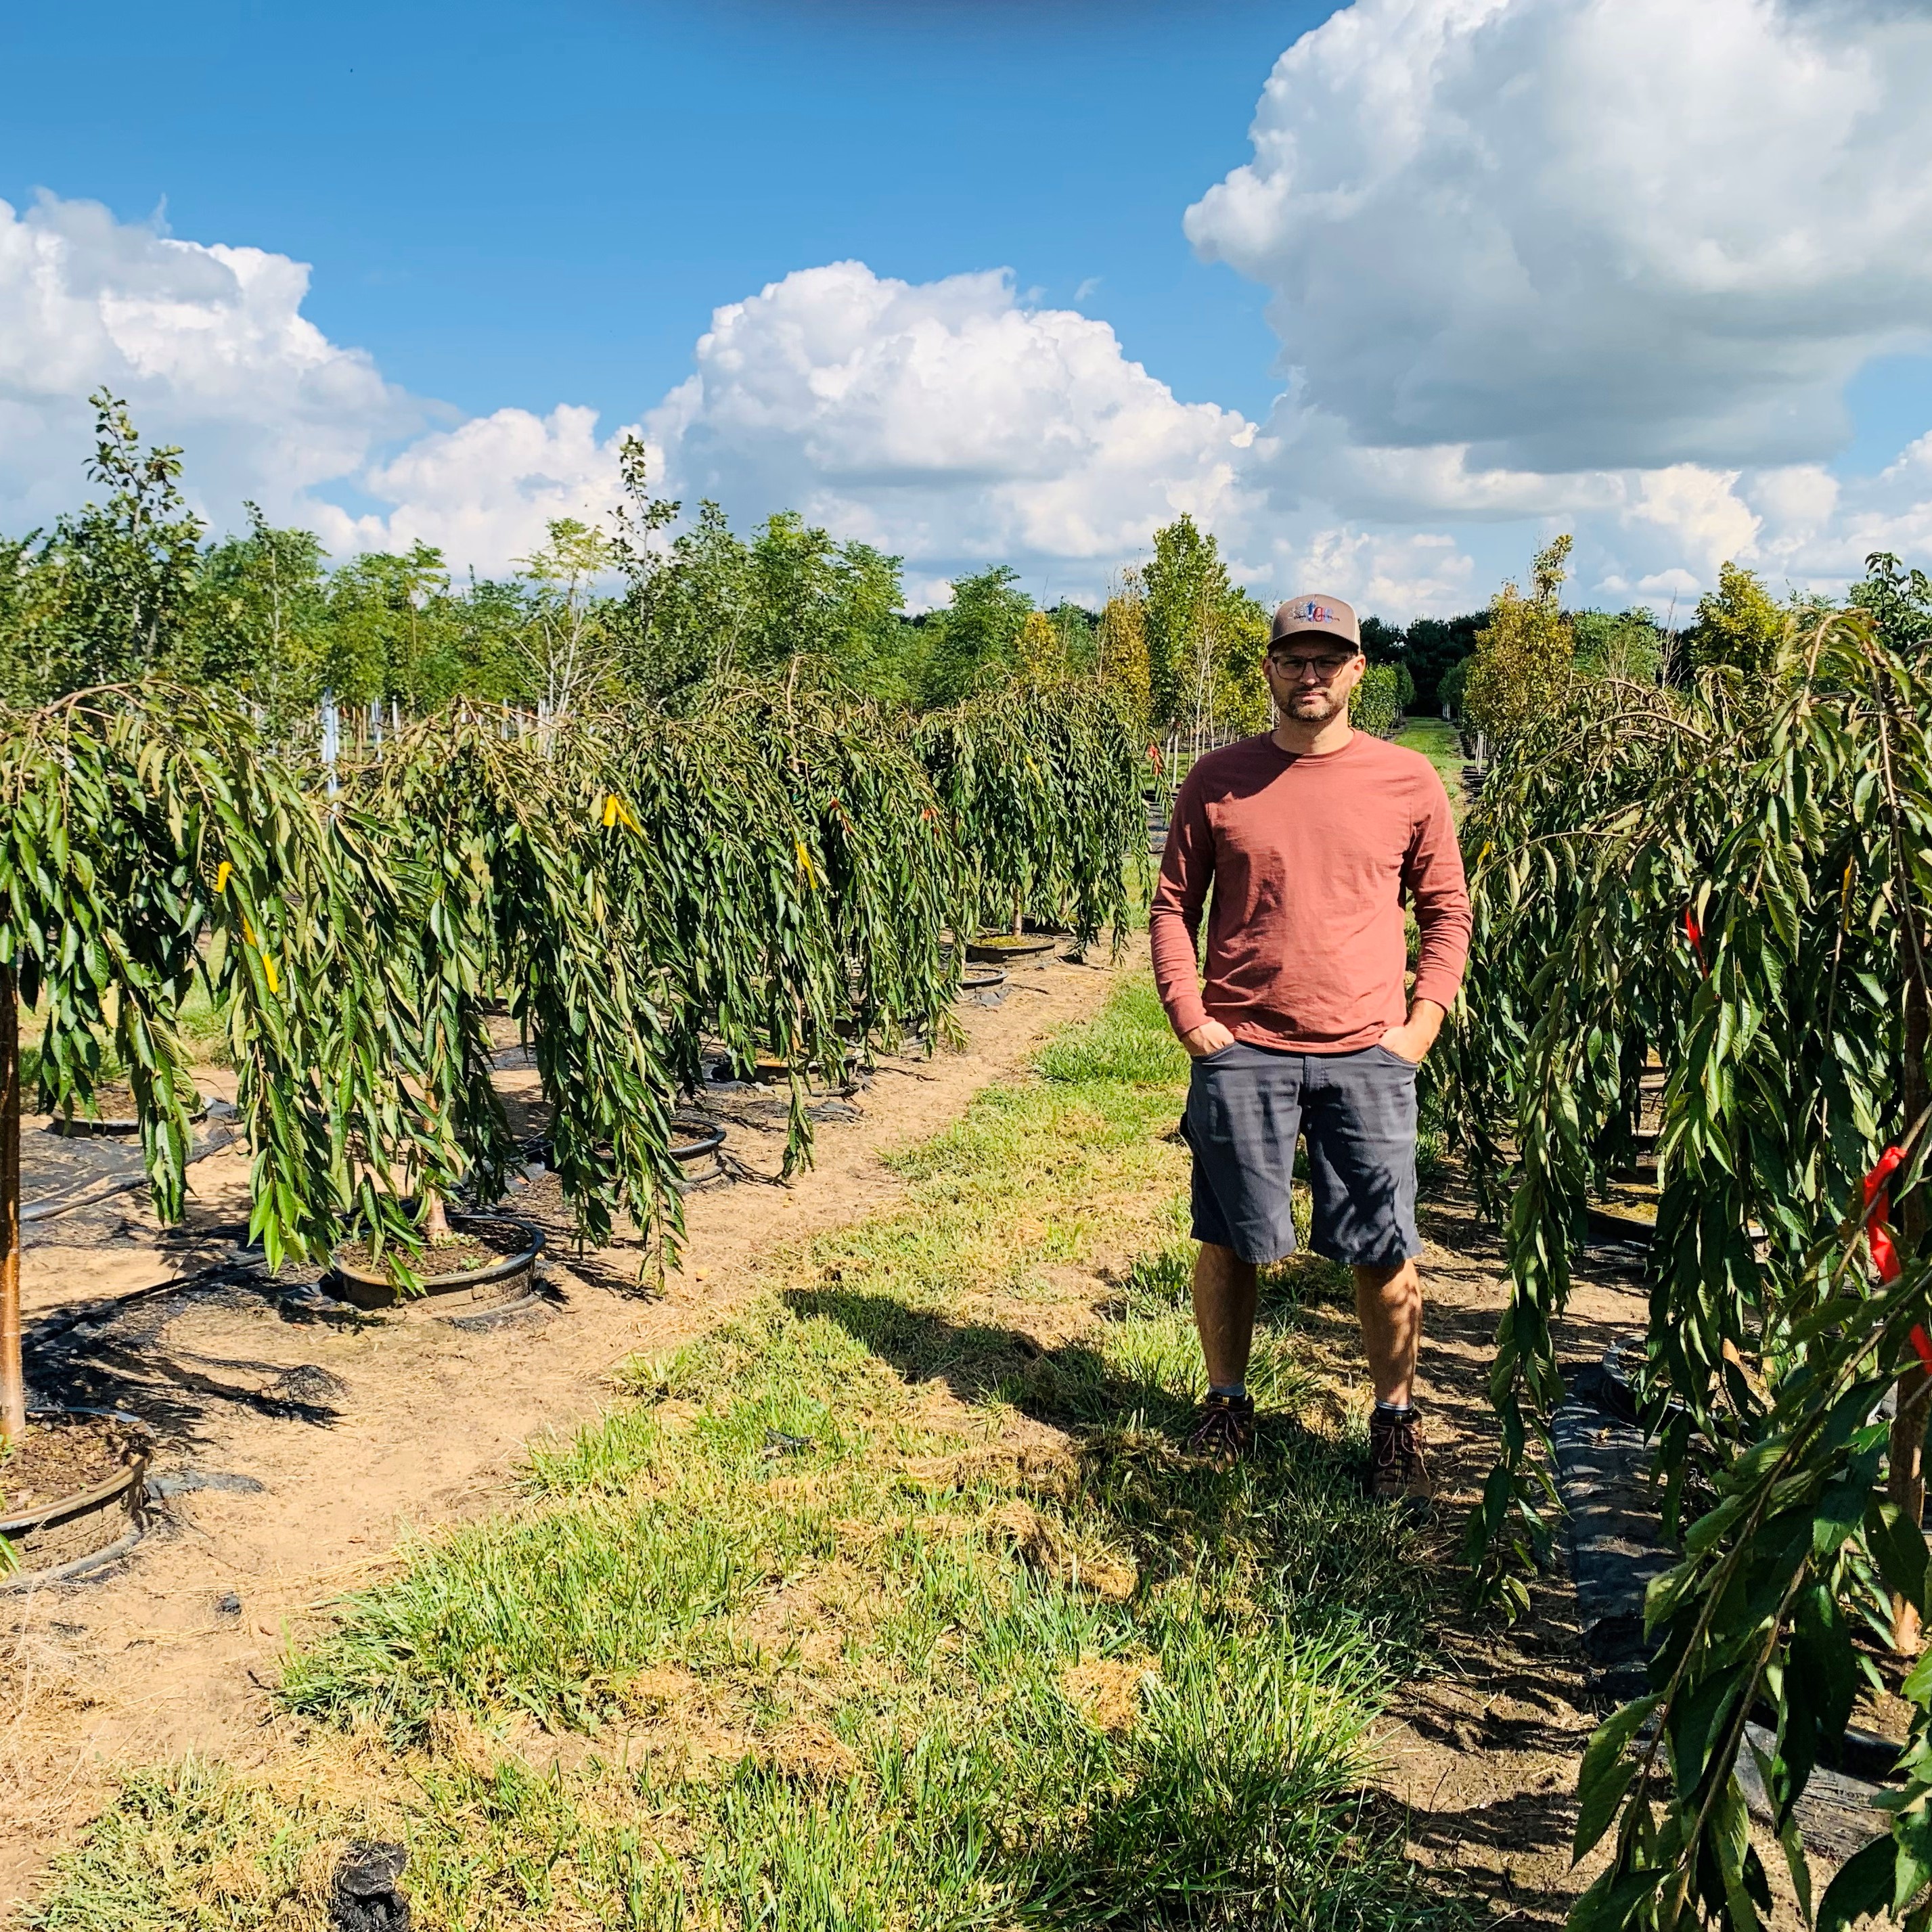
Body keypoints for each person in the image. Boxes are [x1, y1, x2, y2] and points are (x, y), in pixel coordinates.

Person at [1148, 594, 1471, 1502]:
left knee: (1382, 1243)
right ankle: (1226, 1403)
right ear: (1271, 669)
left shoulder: (1408, 781)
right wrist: (1192, 1018)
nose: (1312, 673)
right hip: (1244, 1044)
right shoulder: (1217, 778)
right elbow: (1174, 904)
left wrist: (1422, 1024)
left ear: (1361, 670)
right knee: (1230, 1234)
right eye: (1295, 657)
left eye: (1330, 657)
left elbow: (1447, 907)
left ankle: (1396, 1422)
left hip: (1369, 1048)